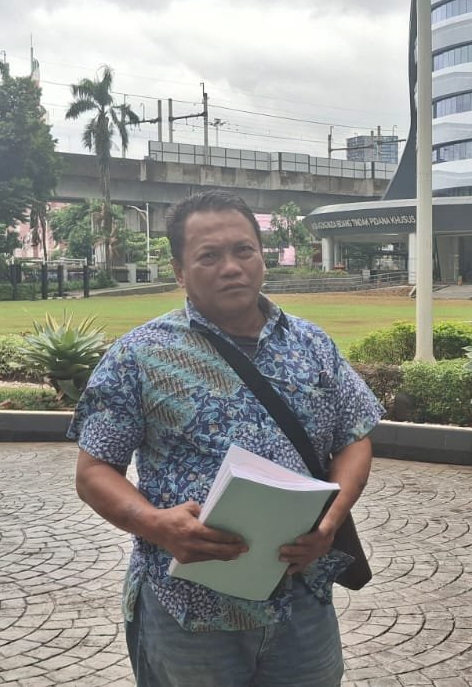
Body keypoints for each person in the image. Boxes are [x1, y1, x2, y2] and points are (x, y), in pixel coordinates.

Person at [70, 191, 382, 686]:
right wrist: (156, 524)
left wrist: (331, 521)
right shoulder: (139, 355)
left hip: (300, 599)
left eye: (243, 250)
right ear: (179, 271)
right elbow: (93, 472)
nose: (231, 267)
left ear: (262, 255)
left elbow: (355, 436)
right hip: (190, 612)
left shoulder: (312, 345)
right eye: (209, 256)